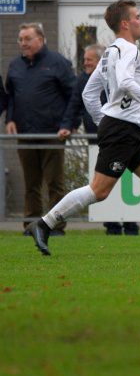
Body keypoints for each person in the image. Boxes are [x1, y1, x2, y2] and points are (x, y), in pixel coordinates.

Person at [26, 0, 140, 256]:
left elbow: (89, 94)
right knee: (99, 190)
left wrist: (103, 121)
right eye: (137, 17)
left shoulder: (109, 53)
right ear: (125, 23)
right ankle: (44, 223)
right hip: (122, 130)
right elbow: (125, 82)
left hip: (129, 129)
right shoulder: (129, 49)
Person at [58, 43, 140, 236]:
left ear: (101, 61)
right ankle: (111, 224)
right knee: (102, 186)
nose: (85, 63)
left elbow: (134, 103)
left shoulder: (117, 75)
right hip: (103, 138)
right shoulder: (83, 80)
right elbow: (75, 104)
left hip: (122, 136)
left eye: (89, 59)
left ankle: (132, 224)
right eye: (84, 60)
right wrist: (68, 125)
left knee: (126, 183)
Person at [6, 22, 75, 232]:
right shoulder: (15, 66)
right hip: (25, 134)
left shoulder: (58, 63)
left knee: (54, 183)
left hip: (53, 134)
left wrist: (68, 124)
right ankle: (31, 225)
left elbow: (74, 96)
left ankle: (56, 226)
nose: (23, 43)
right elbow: (11, 97)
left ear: (41, 39)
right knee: (31, 184)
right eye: (20, 39)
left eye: (28, 39)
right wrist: (10, 119)